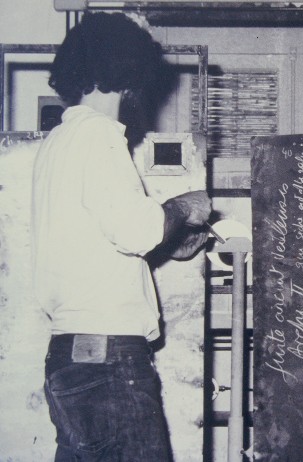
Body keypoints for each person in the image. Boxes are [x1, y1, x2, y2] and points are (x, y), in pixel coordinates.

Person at [31, 12, 212, 461]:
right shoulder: (99, 137)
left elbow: (97, 241)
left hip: (69, 357)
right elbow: (138, 230)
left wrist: (172, 242)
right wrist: (184, 206)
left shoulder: (59, 142)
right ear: (129, 72)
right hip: (108, 359)